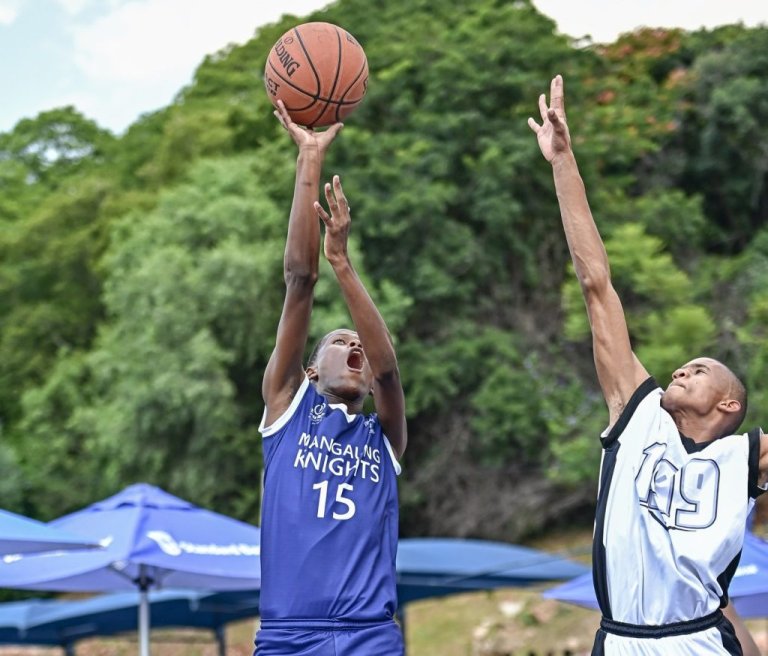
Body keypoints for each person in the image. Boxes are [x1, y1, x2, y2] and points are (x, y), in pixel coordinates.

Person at [529, 75, 768, 655]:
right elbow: (596, 285)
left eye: (700, 369)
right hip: (622, 641)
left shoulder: (745, 456)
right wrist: (564, 164)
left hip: (699, 641)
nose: (682, 370)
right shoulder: (639, 416)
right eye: (683, 366)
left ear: (729, 404)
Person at [254, 100, 407, 656]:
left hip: (370, 636)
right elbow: (298, 281)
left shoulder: (383, 438)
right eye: (340, 343)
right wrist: (309, 159)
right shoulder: (287, 410)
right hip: (289, 637)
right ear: (312, 369)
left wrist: (344, 262)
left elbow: (390, 372)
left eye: (360, 347)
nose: (355, 350)